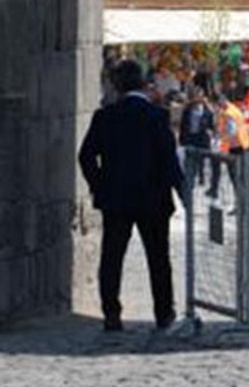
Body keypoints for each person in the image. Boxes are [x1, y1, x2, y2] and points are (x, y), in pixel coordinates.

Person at [79, 60, 185, 332]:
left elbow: (86, 156)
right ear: (142, 83)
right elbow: (169, 159)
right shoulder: (156, 116)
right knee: (158, 258)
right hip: (153, 199)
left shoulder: (105, 116)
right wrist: (182, 191)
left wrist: (99, 186)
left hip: (116, 199)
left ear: (116, 85)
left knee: (112, 258)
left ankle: (111, 314)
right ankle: (164, 313)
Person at [208, 89, 249, 200]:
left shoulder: (228, 113)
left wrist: (220, 142)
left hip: (235, 148)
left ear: (218, 103)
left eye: (214, 105)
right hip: (242, 145)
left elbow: (231, 132)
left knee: (236, 178)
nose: (214, 108)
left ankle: (241, 203)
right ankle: (243, 201)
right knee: (241, 177)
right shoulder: (233, 109)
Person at [178, 88, 215, 184]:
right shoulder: (187, 110)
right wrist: (181, 139)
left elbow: (211, 125)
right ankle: (190, 176)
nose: (198, 98)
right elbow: (183, 124)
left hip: (202, 137)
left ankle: (201, 176)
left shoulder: (207, 111)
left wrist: (210, 132)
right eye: (196, 96)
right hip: (190, 136)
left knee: (201, 158)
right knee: (190, 158)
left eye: (200, 96)